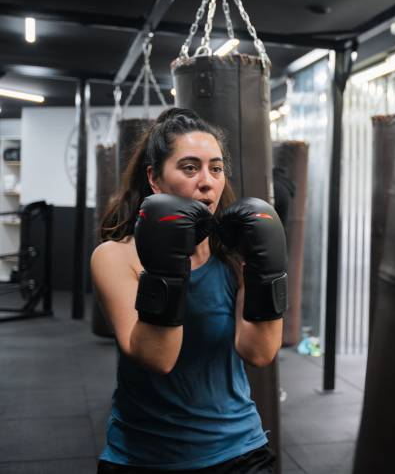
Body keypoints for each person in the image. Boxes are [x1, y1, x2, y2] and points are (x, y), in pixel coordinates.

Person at [91, 107, 288, 473]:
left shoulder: (233, 254)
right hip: (144, 456)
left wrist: (265, 270)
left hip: (239, 449)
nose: (207, 181)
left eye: (215, 168)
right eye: (189, 167)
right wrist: (167, 260)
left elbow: (259, 352)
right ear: (155, 179)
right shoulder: (115, 257)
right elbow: (158, 358)